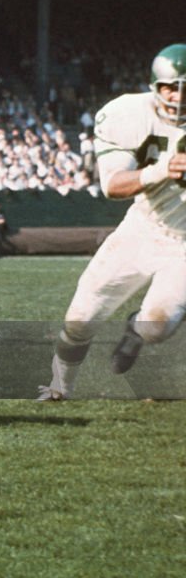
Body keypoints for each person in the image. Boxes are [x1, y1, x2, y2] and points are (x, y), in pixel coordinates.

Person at [39, 43, 186, 401]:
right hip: (145, 228)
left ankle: (136, 330)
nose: (177, 96)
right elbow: (113, 185)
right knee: (80, 318)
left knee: (156, 327)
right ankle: (60, 386)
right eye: (170, 86)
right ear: (155, 85)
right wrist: (161, 170)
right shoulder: (127, 113)